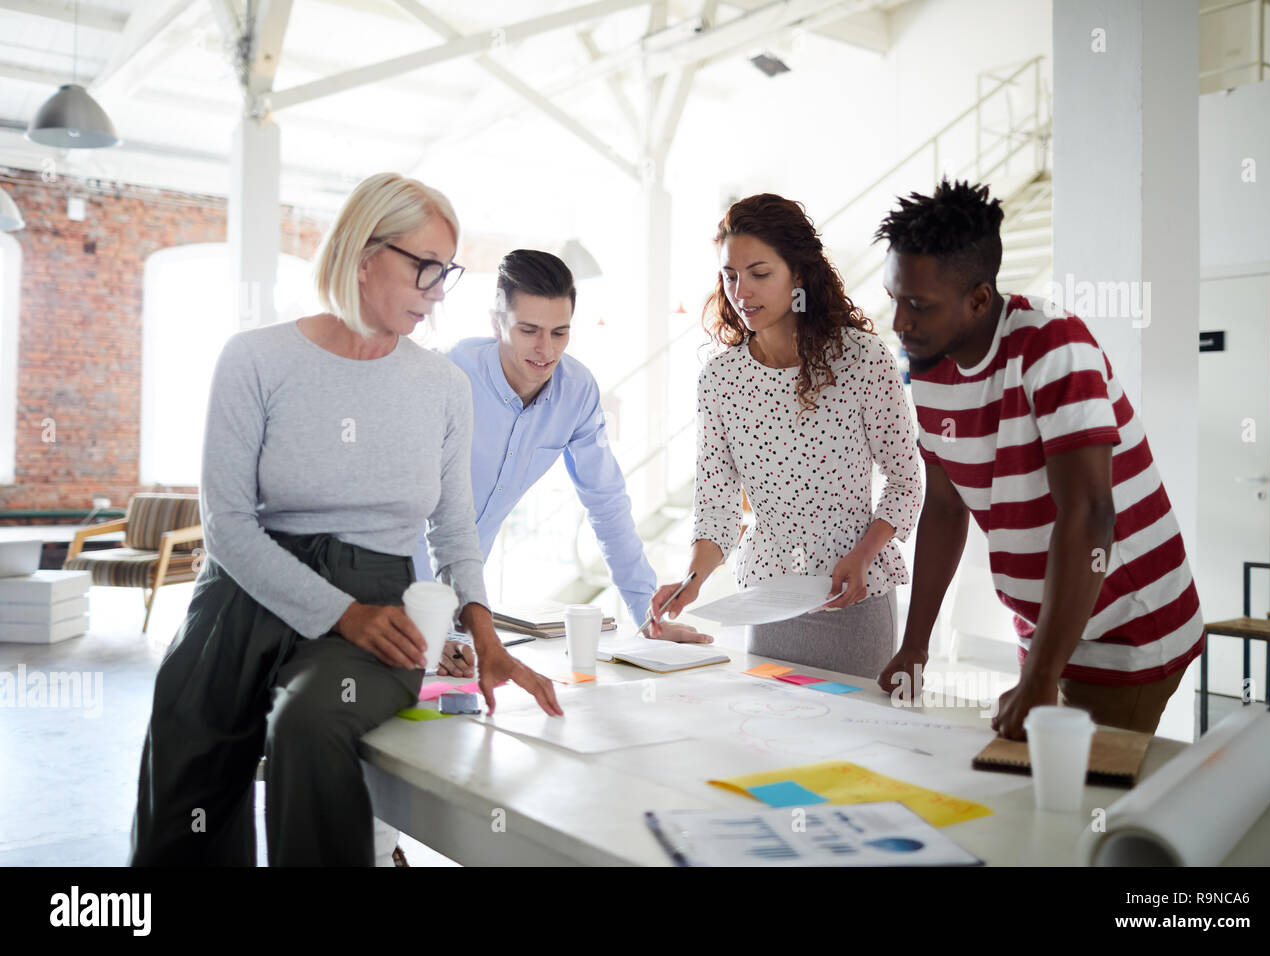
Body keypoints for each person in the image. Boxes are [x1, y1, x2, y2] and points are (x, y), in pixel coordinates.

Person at [129, 172, 560, 868]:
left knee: (310, 725)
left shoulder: (442, 387)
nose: (438, 291)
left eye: (446, 273)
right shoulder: (255, 360)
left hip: (382, 598)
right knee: (189, 751)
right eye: (425, 268)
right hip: (246, 587)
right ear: (365, 254)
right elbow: (229, 526)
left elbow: (453, 531)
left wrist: (484, 635)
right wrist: (339, 611)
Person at [873, 179, 1205, 738]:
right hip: (1049, 630)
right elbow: (946, 509)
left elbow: (1090, 514)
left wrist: (1041, 676)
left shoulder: (1053, 346)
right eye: (895, 299)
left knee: (1077, 807)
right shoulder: (929, 366)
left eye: (918, 305)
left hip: (1128, 627)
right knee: (1029, 796)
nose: (900, 322)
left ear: (979, 298)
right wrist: (915, 645)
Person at [649, 193, 923, 680]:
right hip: (767, 603)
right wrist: (692, 580)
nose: (741, 291)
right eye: (729, 276)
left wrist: (861, 557)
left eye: (759, 274)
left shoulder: (863, 360)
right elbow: (717, 507)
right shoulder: (720, 380)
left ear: (798, 275)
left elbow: (906, 481)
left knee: (862, 745)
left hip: (854, 601)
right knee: (771, 743)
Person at [411, 248, 711, 676]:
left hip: (462, 614)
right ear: (496, 322)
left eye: (560, 332)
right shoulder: (447, 377)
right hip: (392, 596)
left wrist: (651, 617)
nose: (545, 350)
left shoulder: (577, 391)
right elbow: (406, 513)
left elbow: (607, 504)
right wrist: (422, 619)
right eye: (529, 330)